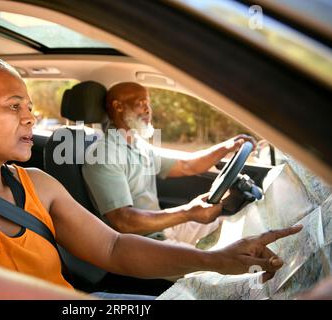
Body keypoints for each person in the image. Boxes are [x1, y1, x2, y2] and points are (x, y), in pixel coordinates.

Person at [0, 55, 301, 298]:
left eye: (29, 105)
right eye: (14, 106)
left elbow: (115, 248)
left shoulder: (37, 184)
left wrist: (216, 261)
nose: (30, 116)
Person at [82, 82, 256, 246]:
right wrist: (188, 212)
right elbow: (123, 222)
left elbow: (187, 166)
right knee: (227, 260)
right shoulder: (103, 155)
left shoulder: (137, 144)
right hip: (141, 244)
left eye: (148, 103)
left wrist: (228, 146)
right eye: (140, 103)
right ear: (118, 106)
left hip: (163, 229)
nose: (148, 109)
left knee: (237, 226)